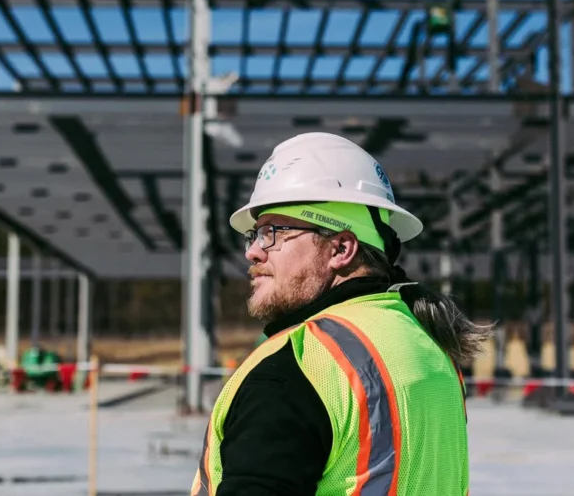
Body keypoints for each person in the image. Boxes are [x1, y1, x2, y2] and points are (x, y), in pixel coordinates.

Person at [190, 132, 491, 496]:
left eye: (272, 232)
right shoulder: (431, 346)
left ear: (341, 248)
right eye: (254, 234)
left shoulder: (294, 369)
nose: (253, 252)